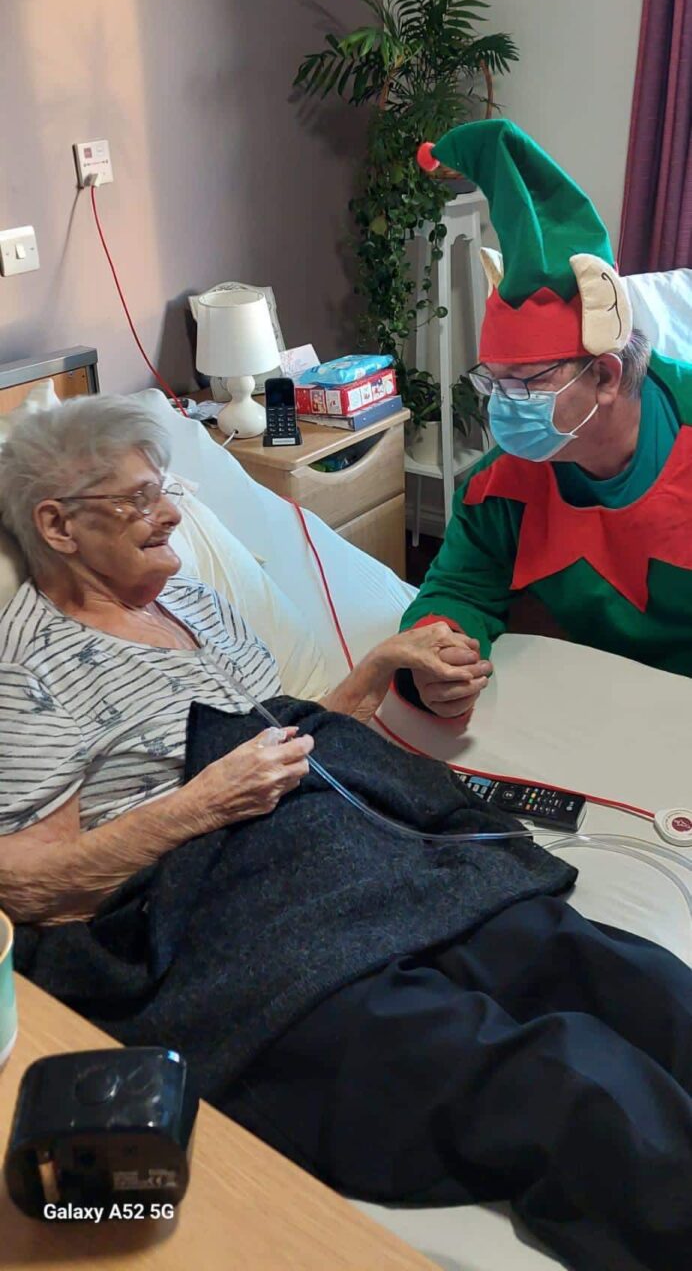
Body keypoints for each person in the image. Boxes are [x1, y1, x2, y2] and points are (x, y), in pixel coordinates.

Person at [0, 396, 690, 1271]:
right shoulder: (28, 673)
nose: (170, 513)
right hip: (238, 926)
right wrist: (199, 806)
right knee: (560, 1082)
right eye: (138, 500)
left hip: (366, 858)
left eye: (166, 488)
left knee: (625, 976)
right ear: (57, 526)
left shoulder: (193, 602)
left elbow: (283, 742)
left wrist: (374, 673)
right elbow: (29, 886)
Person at [399, 119, 692, 724]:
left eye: (527, 382)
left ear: (605, 376)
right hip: (589, 702)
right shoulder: (505, 479)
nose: (504, 405)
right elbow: (458, 587)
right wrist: (437, 655)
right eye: (495, 380)